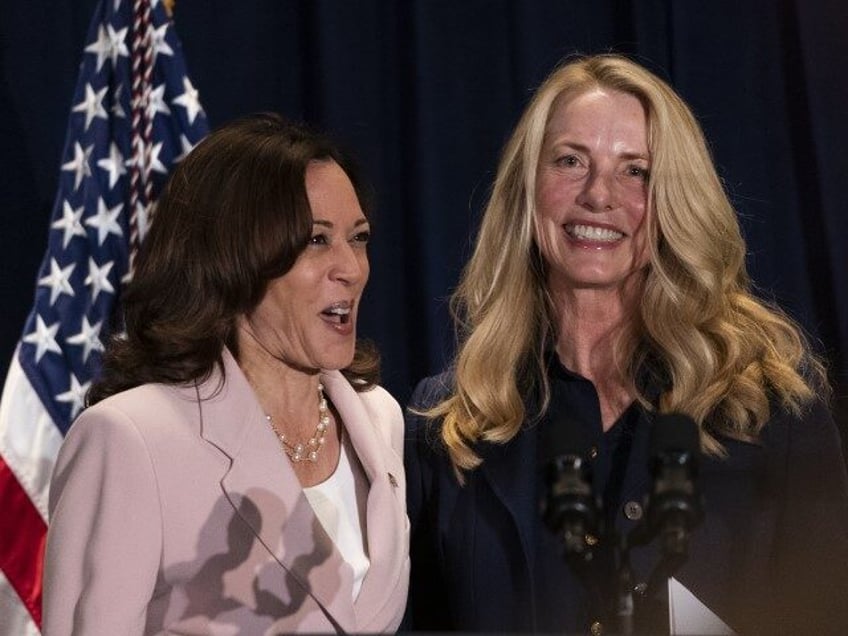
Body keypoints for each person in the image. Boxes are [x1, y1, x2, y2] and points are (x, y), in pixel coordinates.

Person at [404, 53, 848, 635]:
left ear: (674, 200)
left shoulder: (771, 406)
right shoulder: (451, 427)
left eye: (634, 171)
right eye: (569, 161)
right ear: (526, 192)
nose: (598, 195)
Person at [43, 113, 409, 634]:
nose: (351, 267)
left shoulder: (379, 419)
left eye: (359, 237)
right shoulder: (131, 440)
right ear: (234, 259)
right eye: (316, 240)